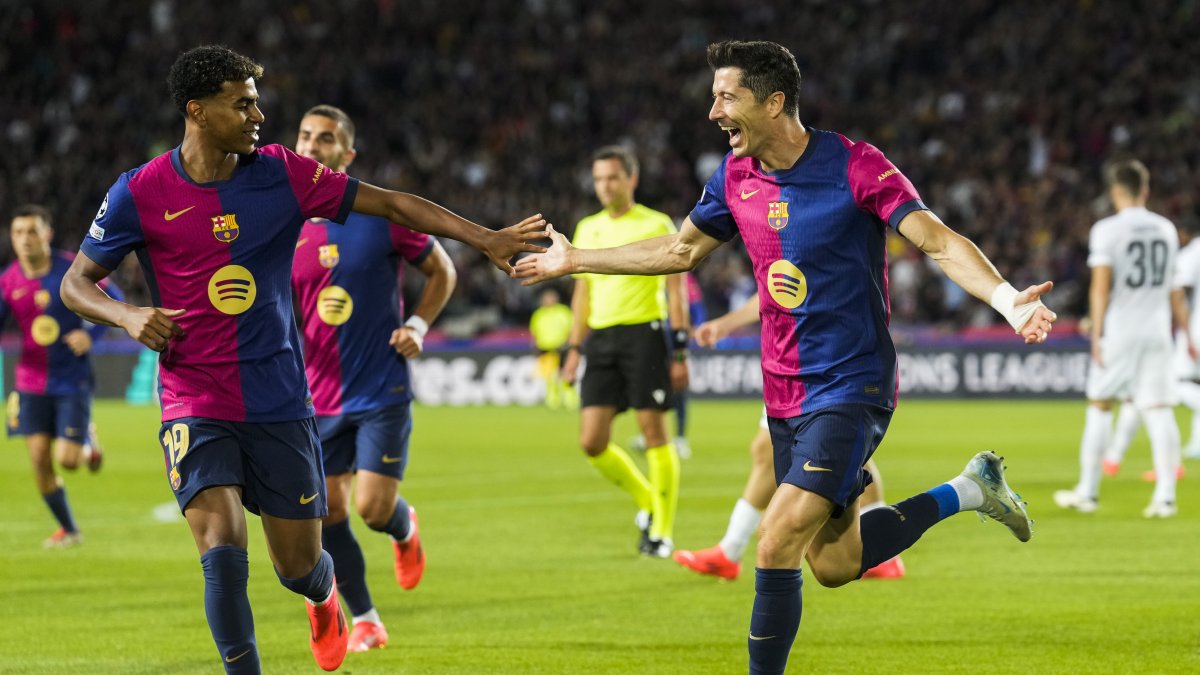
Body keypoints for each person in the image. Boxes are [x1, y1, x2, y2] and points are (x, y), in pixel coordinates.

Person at [516, 40, 1054, 674]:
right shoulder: (734, 177)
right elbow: (679, 251)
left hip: (851, 384)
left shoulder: (855, 165)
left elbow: (936, 240)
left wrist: (1006, 299)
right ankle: (969, 490)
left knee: (774, 543)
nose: (713, 112)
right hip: (784, 394)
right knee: (834, 564)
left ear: (774, 103)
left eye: (727, 97)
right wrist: (576, 259)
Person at [59, 45, 546, 674]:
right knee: (222, 551)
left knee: (297, 567)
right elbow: (76, 284)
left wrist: (485, 238)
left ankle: (323, 595)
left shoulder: (282, 174)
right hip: (193, 398)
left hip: (280, 400)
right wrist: (126, 315)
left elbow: (393, 204)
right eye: (243, 103)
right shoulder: (139, 190)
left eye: (256, 101)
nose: (259, 115)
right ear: (197, 111)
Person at [289, 104, 456, 653]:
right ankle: (366, 619)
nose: (312, 146)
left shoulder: (381, 214)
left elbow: (443, 269)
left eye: (326, 138)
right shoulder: (283, 224)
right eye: (305, 136)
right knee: (330, 513)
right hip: (316, 396)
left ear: (347, 153)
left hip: (381, 386)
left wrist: (418, 324)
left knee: (373, 509)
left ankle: (404, 528)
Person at [672, 294, 904, 581]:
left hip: (817, 363)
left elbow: (781, 286)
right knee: (829, 452)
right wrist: (725, 325)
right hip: (798, 360)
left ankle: (730, 551)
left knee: (832, 449)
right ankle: (730, 550)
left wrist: (725, 324)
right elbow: (777, 287)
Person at [561, 145, 689, 557]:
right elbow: (582, 294)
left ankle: (662, 532)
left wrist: (680, 349)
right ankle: (649, 500)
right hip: (601, 339)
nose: (605, 186)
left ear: (631, 179)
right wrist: (574, 347)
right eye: (599, 179)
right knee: (592, 441)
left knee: (654, 433)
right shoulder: (587, 228)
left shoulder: (656, 223)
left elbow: (676, 291)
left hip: (643, 334)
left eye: (612, 177)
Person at [1054, 160, 1191, 519]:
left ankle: (1088, 492)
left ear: (1115, 191)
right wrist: (1187, 334)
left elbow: (1101, 286)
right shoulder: (1166, 228)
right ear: (1145, 190)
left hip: (1122, 329)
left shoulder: (1107, 230)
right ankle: (1165, 499)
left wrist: (1096, 334)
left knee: (1101, 405)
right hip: (1158, 330)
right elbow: (1175, 291)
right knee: (1159, 410)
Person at [3, 205, 116, 548]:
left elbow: (116, 298)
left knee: (67, 461)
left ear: (47, 234)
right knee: (39, 461)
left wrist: (91, 335)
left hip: (71, 379)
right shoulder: (8, 280)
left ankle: (87, 442)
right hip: (30, 380)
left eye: (32, 231)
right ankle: (69, 529)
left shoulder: (72, 267)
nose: (25, 239)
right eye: (18, 232)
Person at [530, 286, 578, 410]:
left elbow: (571, 329)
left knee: (566, 374)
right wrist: (535, 345)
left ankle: (570, 399)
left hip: (562, 348)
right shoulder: (539, 314)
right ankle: (553, 400)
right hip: (546, 349)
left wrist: (570, 344)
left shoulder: (563, 312)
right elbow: (534, 332)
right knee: (550, 376)